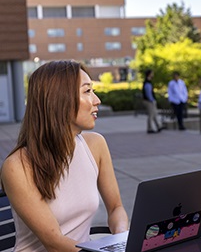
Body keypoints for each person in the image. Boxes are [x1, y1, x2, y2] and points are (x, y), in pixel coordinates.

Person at [1, 60, 129, 251]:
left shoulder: (96, 145)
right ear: (58, 99)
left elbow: (116, 207)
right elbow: (54, 242)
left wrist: (120, 240)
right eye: (87, 91)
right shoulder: (17, 166)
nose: (97, 100)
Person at [142, 69, 163, 134]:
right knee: (151, 114)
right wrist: (152, 100)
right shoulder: (147, 82)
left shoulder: (148, 82)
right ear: (149, 74)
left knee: (154, 114)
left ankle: (158, 126)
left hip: (149, 100)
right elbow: (148, 93)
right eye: (152, 73)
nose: (153, 75)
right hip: (149, 101)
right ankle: (150, 128)